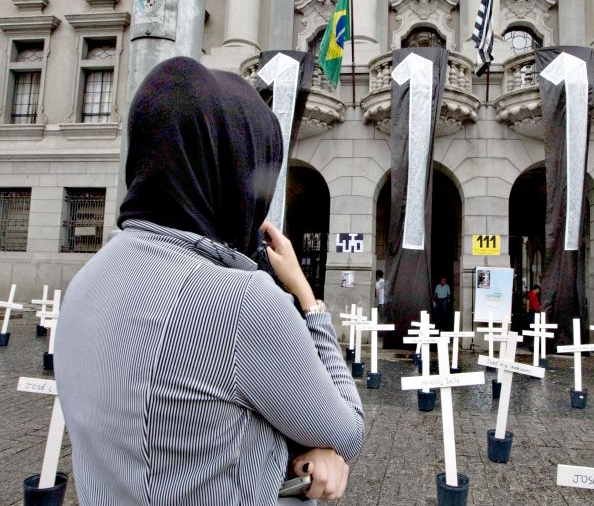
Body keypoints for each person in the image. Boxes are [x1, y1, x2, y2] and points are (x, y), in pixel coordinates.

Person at [53, 57, 363, 505]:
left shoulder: (84, 283)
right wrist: (307, 298)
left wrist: (294, 450)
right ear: (231, 168)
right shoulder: (243, 302)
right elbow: (348, 430)